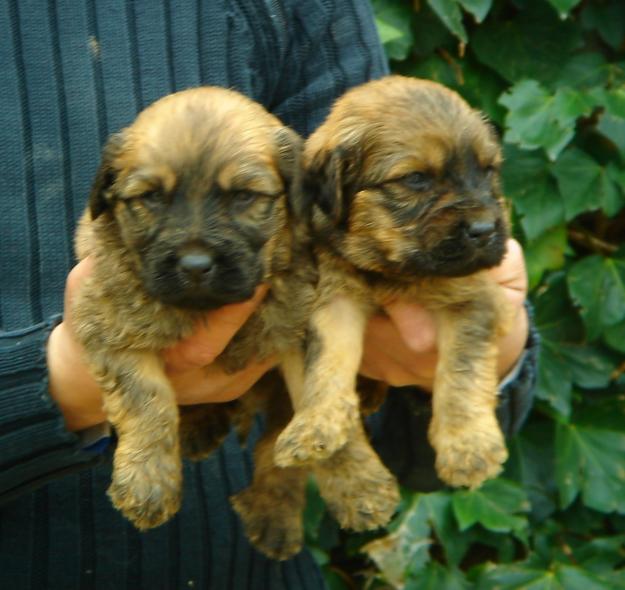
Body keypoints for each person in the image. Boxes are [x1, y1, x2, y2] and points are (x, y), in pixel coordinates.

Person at [0, 1, 537, 588]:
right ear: (105, 199)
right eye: (149, 199)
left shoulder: (304, 44)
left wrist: (484, 362)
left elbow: (351, 225)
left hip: (244, 569)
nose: (197, 252)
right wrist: (60, 390)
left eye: (247, 199)